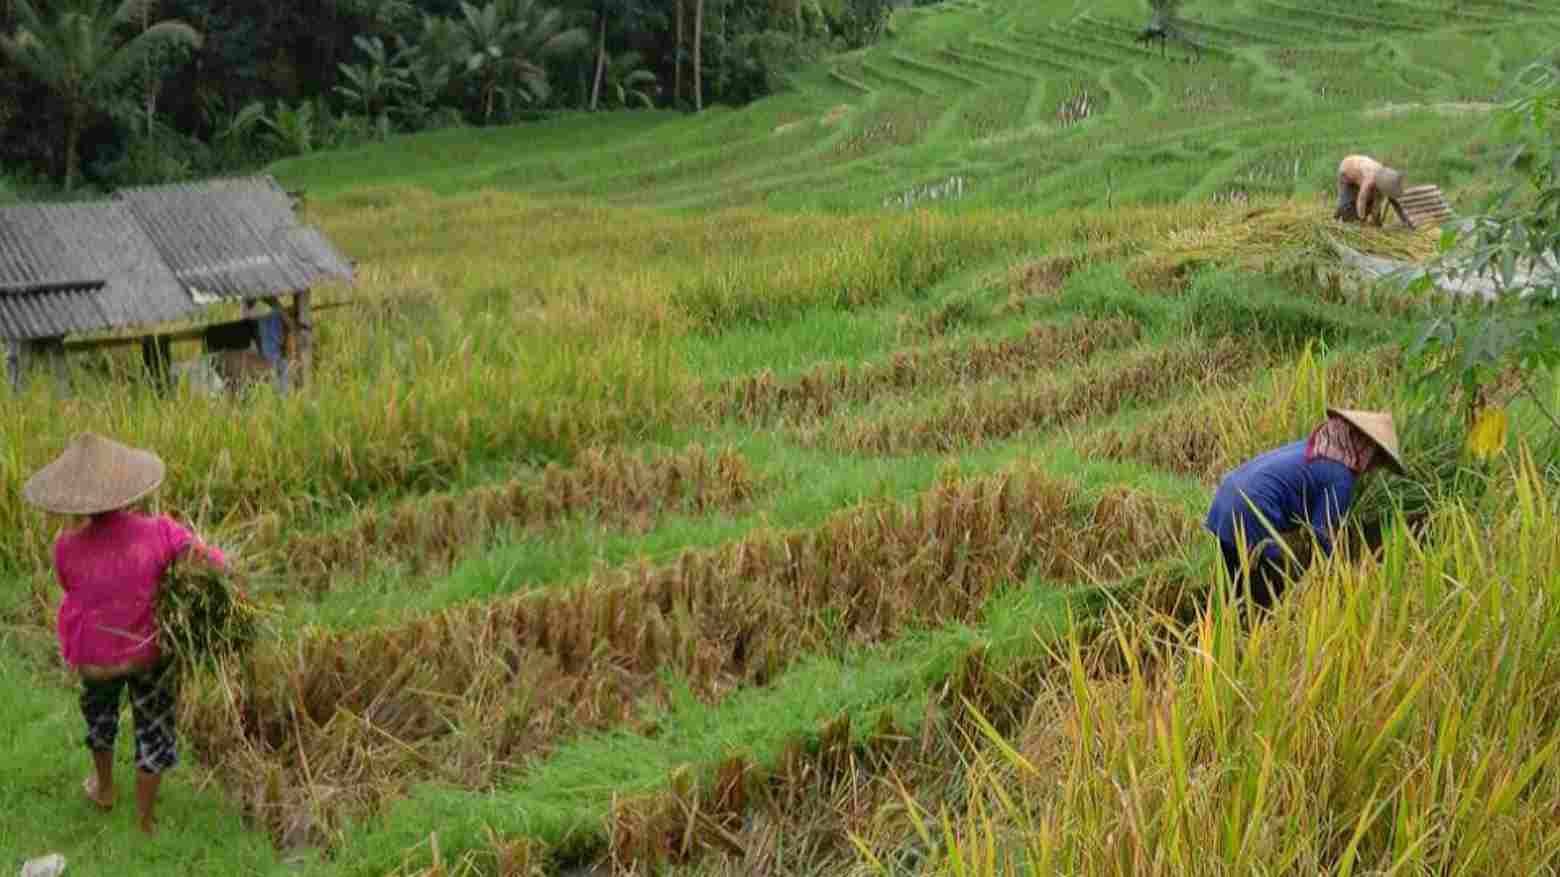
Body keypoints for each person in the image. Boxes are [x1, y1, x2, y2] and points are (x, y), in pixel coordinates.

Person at [22, 433, 225, 835]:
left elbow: (70, 586)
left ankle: (105, 788)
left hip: (94, 659)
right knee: (152, 729)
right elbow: (208, 561)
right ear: (128, 490)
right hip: (146, 654)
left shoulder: (65, 548)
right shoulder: (159, 533)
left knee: (100, 720)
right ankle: (145, 822)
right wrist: (224, 566)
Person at [1204, 409, 1403, 612]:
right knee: (1274, 592)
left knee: (1229, 589)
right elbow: (1319, 533)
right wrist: (1338, 577)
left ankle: (1217, 632)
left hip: (1226, 496)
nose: (1373, 468)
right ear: (1366, 448)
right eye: (1377, 460)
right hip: (1251, 512)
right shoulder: (1341, 476)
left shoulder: (1315, 446)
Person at [1335, 155, 1410, 227]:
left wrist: (1376, 220)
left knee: (1372, 203)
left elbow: (1377, 203)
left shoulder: (1386, 178)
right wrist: (1362, 219)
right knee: (1347, 207)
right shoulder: (1369, 180)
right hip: (1347, 171)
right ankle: (1339, 217)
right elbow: (1362, 199)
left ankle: (1377, 222)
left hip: (1362, 171)